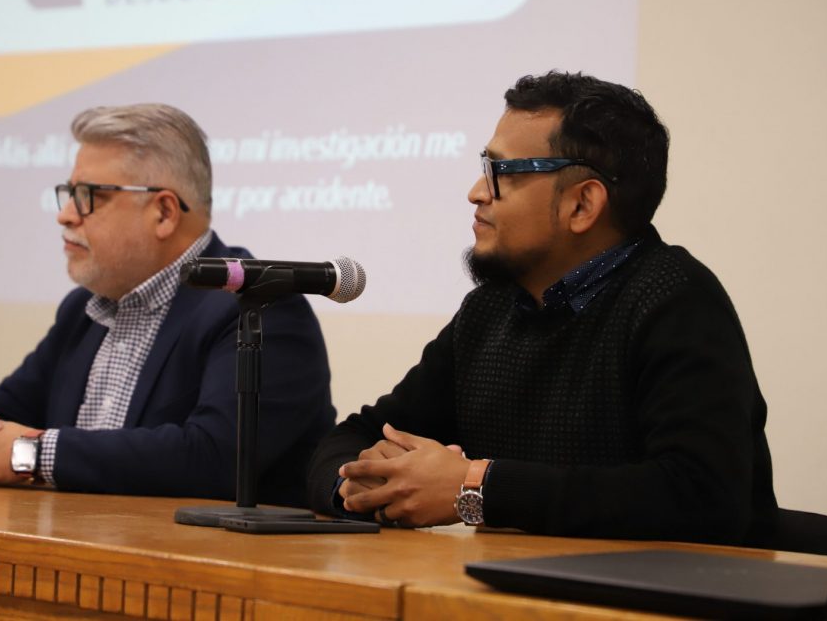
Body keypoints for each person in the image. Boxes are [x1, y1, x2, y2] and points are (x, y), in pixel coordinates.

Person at [307, 71, 777, 544]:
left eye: (500, 173)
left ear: (582, 204)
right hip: (510, 581)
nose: (476, 192)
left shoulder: (675, 299)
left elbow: (701, 496)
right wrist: (356, 486)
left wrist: (476, 487)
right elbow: (353, 438)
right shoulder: (489, 310)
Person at [0, 104, 334, 507]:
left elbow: (214, 457)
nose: (65, 216)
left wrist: (29, 456)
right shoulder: (83, 311)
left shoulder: (258, 307)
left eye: (89, 196)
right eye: (69, 194)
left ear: (164, 213)